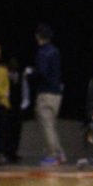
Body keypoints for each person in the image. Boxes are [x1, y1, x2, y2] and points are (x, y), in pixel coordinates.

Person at [27, 23, 64, 165]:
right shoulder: (55, 51)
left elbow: (42, 73)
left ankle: (53, 155)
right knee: (51, 124)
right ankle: (59, 153)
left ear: (38, 36)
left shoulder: (43, 52)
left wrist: (30, 74)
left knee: (47, 125)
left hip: (46, 93)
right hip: (56, 94)